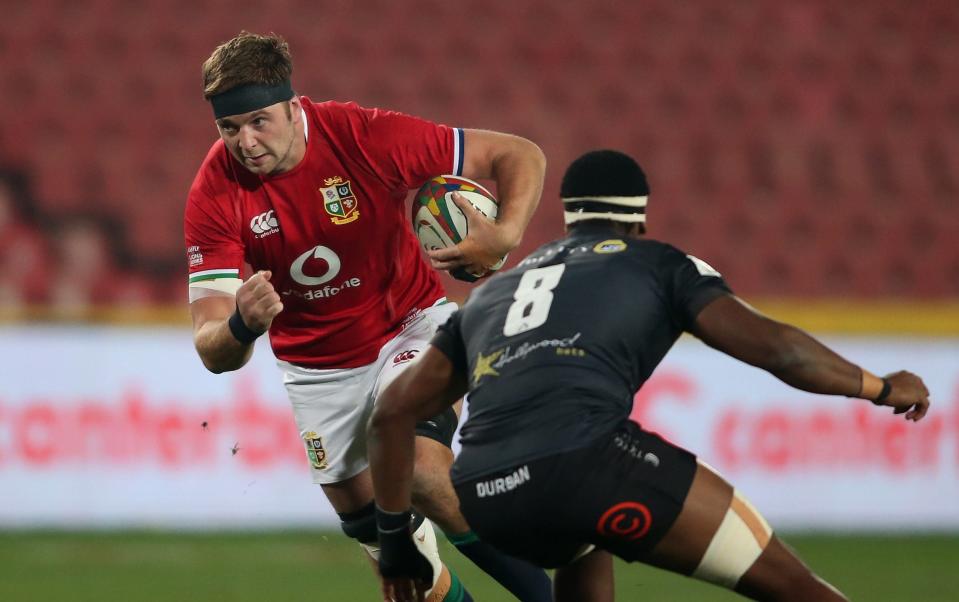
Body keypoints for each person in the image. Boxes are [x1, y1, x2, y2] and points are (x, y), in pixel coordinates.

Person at [367, 149, 932, 602]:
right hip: (587, 462)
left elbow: (393, 413)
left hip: (488, 495)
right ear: (638, 216)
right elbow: (778, 350)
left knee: (583, 548)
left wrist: (394, 544)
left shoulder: (491, 295)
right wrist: (879, 386)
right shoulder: (655, 261)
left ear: (569, 216)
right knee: (793, 587)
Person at [184, 31, 554, 602]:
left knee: (424, 474)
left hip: (410, 326)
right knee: (406, 581)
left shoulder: (363, 136)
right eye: (229, 129)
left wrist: (502, 236)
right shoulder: (215, 193)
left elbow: (519, 154)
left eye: (259, 121)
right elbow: (211, 349)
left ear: (292, 104)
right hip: (318, 375)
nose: (246, 142)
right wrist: (241, 325)